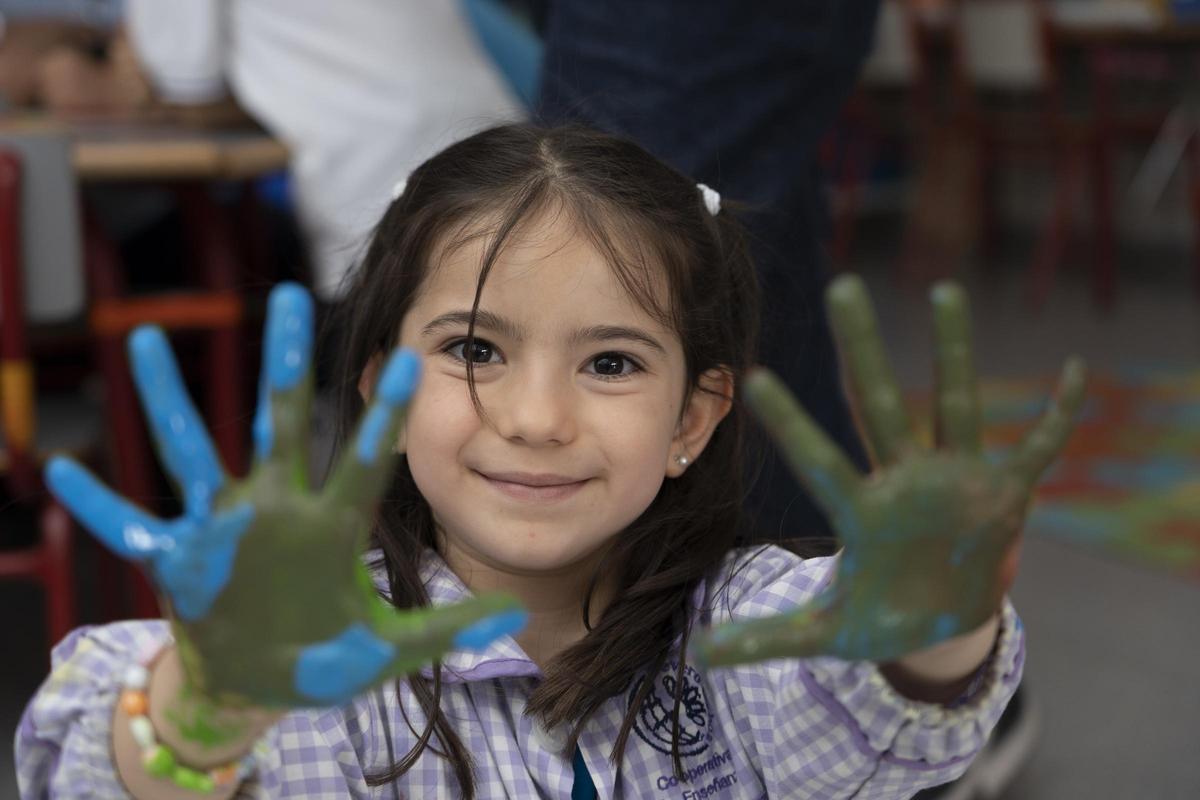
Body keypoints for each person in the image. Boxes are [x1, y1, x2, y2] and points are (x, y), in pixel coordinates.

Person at [16, 124, 1085, 799]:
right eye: (474, 348)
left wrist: (935, 623)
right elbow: (83, 759)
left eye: (611, 360)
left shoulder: (746, 627)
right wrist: (206, 702)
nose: (535, 416)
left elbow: (865, 711)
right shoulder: (313, 650)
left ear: (694, 418)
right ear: (383, 387)